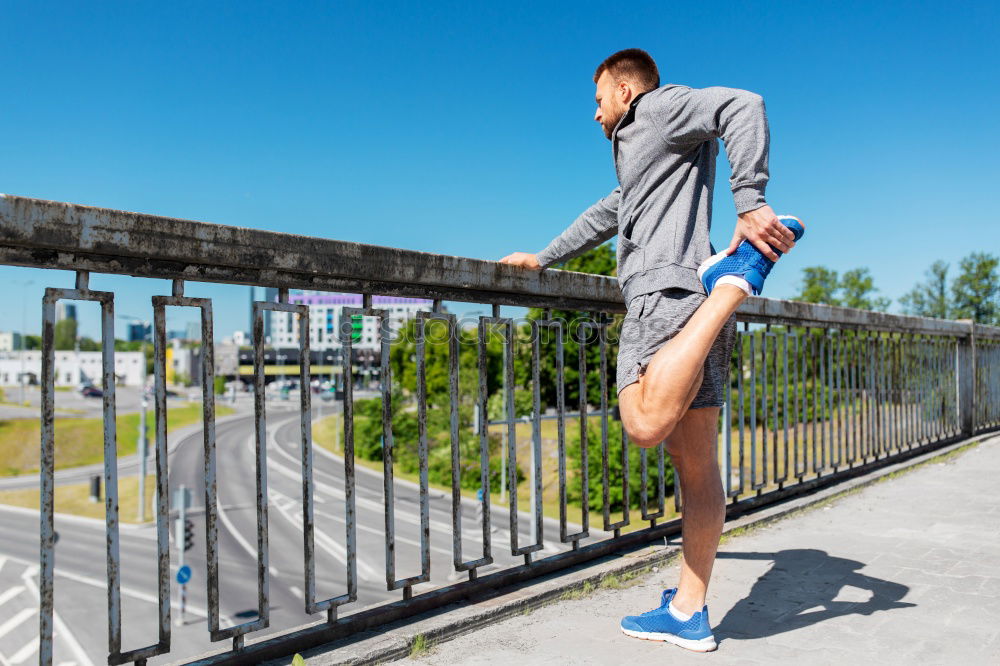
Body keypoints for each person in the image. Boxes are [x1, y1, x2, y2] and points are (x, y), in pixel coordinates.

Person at [499, 48, 804, 652]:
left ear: (626, 91)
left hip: (666, 298)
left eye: (597, 100)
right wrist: (545, 254)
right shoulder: (646, 161)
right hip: (688, 308)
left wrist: (750, 201)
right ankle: (689, 612)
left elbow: (744, 104)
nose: (594, 115)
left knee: (642, 422)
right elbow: (610, 212)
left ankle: (734, 284)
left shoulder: (656, 113)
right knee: (697, 469)